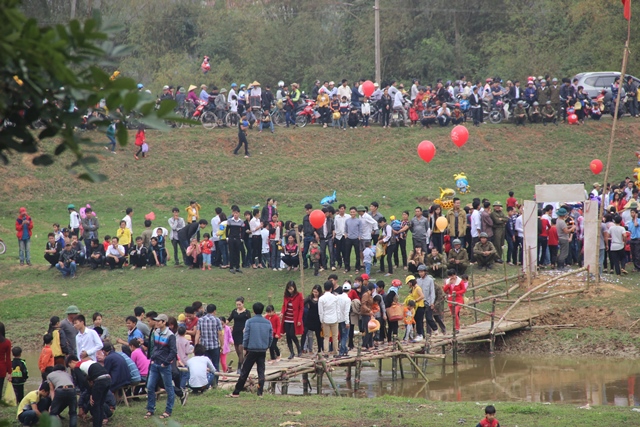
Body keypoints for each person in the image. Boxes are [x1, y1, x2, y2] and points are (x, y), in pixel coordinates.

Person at [228, 302, 271, 398]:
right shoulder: (267, 322)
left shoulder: (250, 322)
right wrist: (267, 346)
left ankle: (236, 392)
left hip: (252, 349)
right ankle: (260, 392)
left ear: (254, 311)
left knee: (245, 371)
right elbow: (270, 337)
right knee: (261, 371)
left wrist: (245, 347)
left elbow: (246, 336)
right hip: (262, 350)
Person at [67, 355, 111, 427]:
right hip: (108, 378)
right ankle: (99, 423)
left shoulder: (77, 367)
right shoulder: (88, 361)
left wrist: (91, 393)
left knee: (95, 405)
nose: (71, 368)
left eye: (69, 366)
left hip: (100, 380)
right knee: (100, 404)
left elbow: (83, 381)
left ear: (72, 362)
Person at [195, 304, 223, 375]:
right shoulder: (217, 320)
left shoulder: (200, 320)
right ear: (214, 311)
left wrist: (196, 344)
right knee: (215, 364)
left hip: (204, 346)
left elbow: (198, 333)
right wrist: (222, 345)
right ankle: (215, 383)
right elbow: (220, 334)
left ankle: (207, 380)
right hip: (215, 346)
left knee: (205, 365)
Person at [280, 281, 304, 359]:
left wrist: (299, 320)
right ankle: (291, 352)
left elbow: (301, 308)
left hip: (294, 319)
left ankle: (299, 349)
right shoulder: (286, 296)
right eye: (288, 289)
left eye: (291, 289)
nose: (290, 290)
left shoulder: (299, 295)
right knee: (288, 336)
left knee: (292, 334)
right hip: (287, 318)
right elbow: (284, 305)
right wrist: (282, 312)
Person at [228, 297, 251, 374]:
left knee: (241, 349)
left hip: (243, 332)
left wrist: (246, 328)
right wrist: (224, 324)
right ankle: (243, 363)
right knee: (237, 350)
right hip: (235, 332)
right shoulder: (234, 311)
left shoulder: (247, 312)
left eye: (239, 304)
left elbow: (249, 322)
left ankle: (239, 367)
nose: (238, 306)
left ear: (243, 304)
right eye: (237, 305)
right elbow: (229, 319)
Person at [318, 281, 339, 356]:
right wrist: (338, 318)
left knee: (326, 337)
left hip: (325, 319)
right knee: (335, 337)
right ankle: (336, 352)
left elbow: (320, 311)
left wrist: (321, 321)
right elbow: (337, 309)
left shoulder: (321, 298)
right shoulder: (335, 297)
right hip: (334, 319)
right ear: (331, 288)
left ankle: (326, 352)